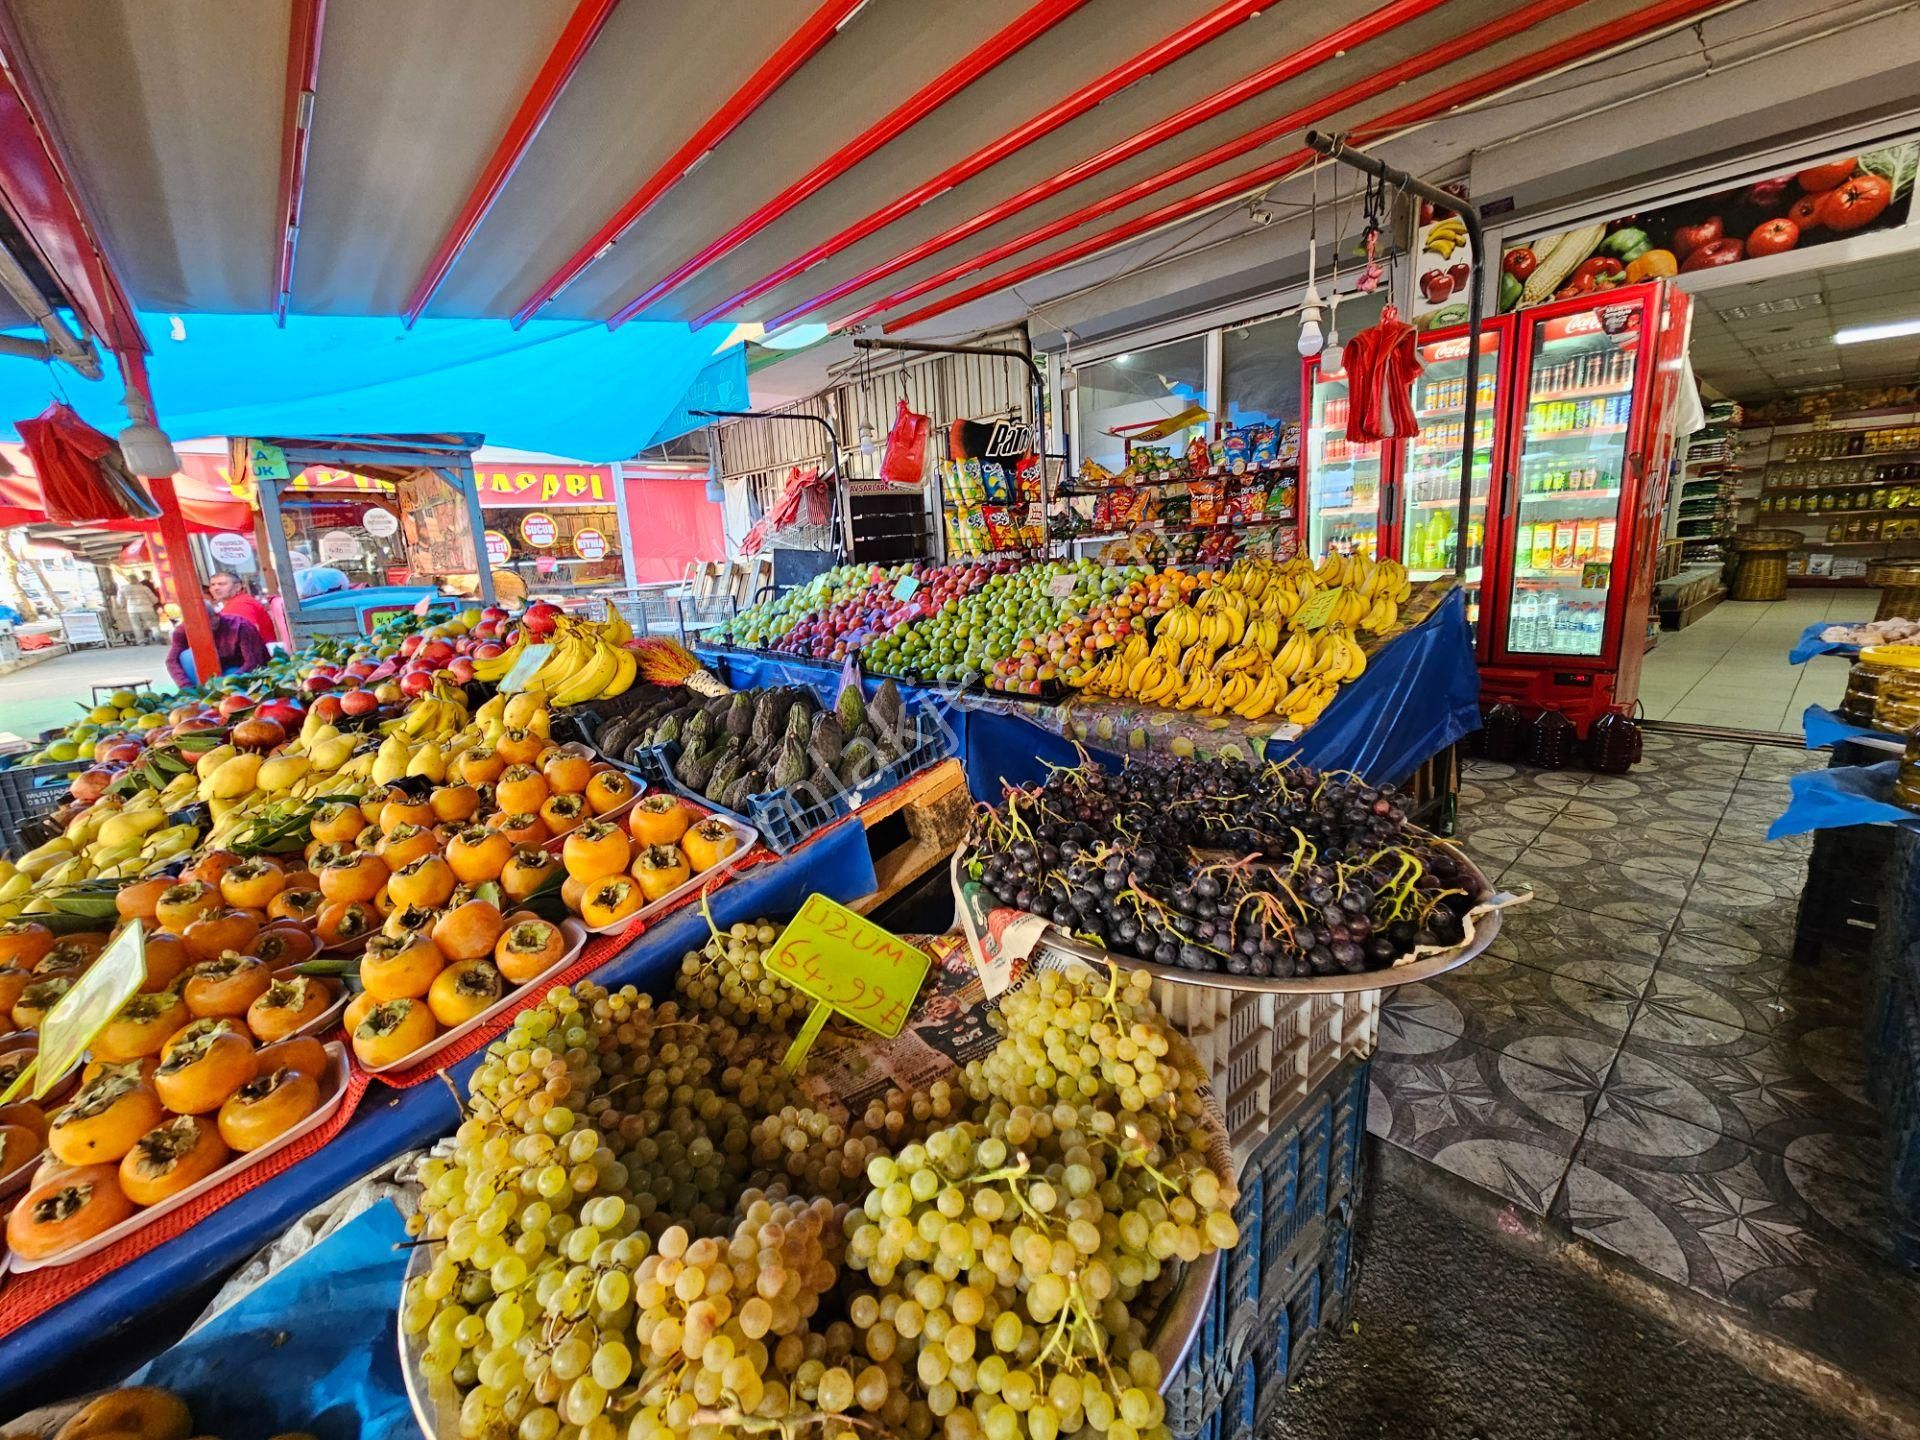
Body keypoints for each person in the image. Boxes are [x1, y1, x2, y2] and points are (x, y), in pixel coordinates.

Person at [165, 608, 268, 687]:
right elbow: (171, 660)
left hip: (239, 671)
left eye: (205, 623)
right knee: (186, 656)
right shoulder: (183, 631)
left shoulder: (240, 626)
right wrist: (186, 686)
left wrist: (225, 683)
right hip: (208, 674)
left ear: (216, 616)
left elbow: (253, 663)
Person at [207, 570, 273, 641]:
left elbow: (248, 637)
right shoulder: (236, 602)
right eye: (212, 585)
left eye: (222, 584)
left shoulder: (241, 604)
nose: (216, 588)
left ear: (237, 587)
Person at [118, 575, 161, 644]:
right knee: (152, 623)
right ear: (137, 579)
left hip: (132, 610)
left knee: (136, 626)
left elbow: (120, 601)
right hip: (147, 608)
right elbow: (154, 599)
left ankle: (141, 641)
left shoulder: (123, 588)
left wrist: (123, 605)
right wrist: (154, 603)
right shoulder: (144, 588)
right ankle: (157, 636)